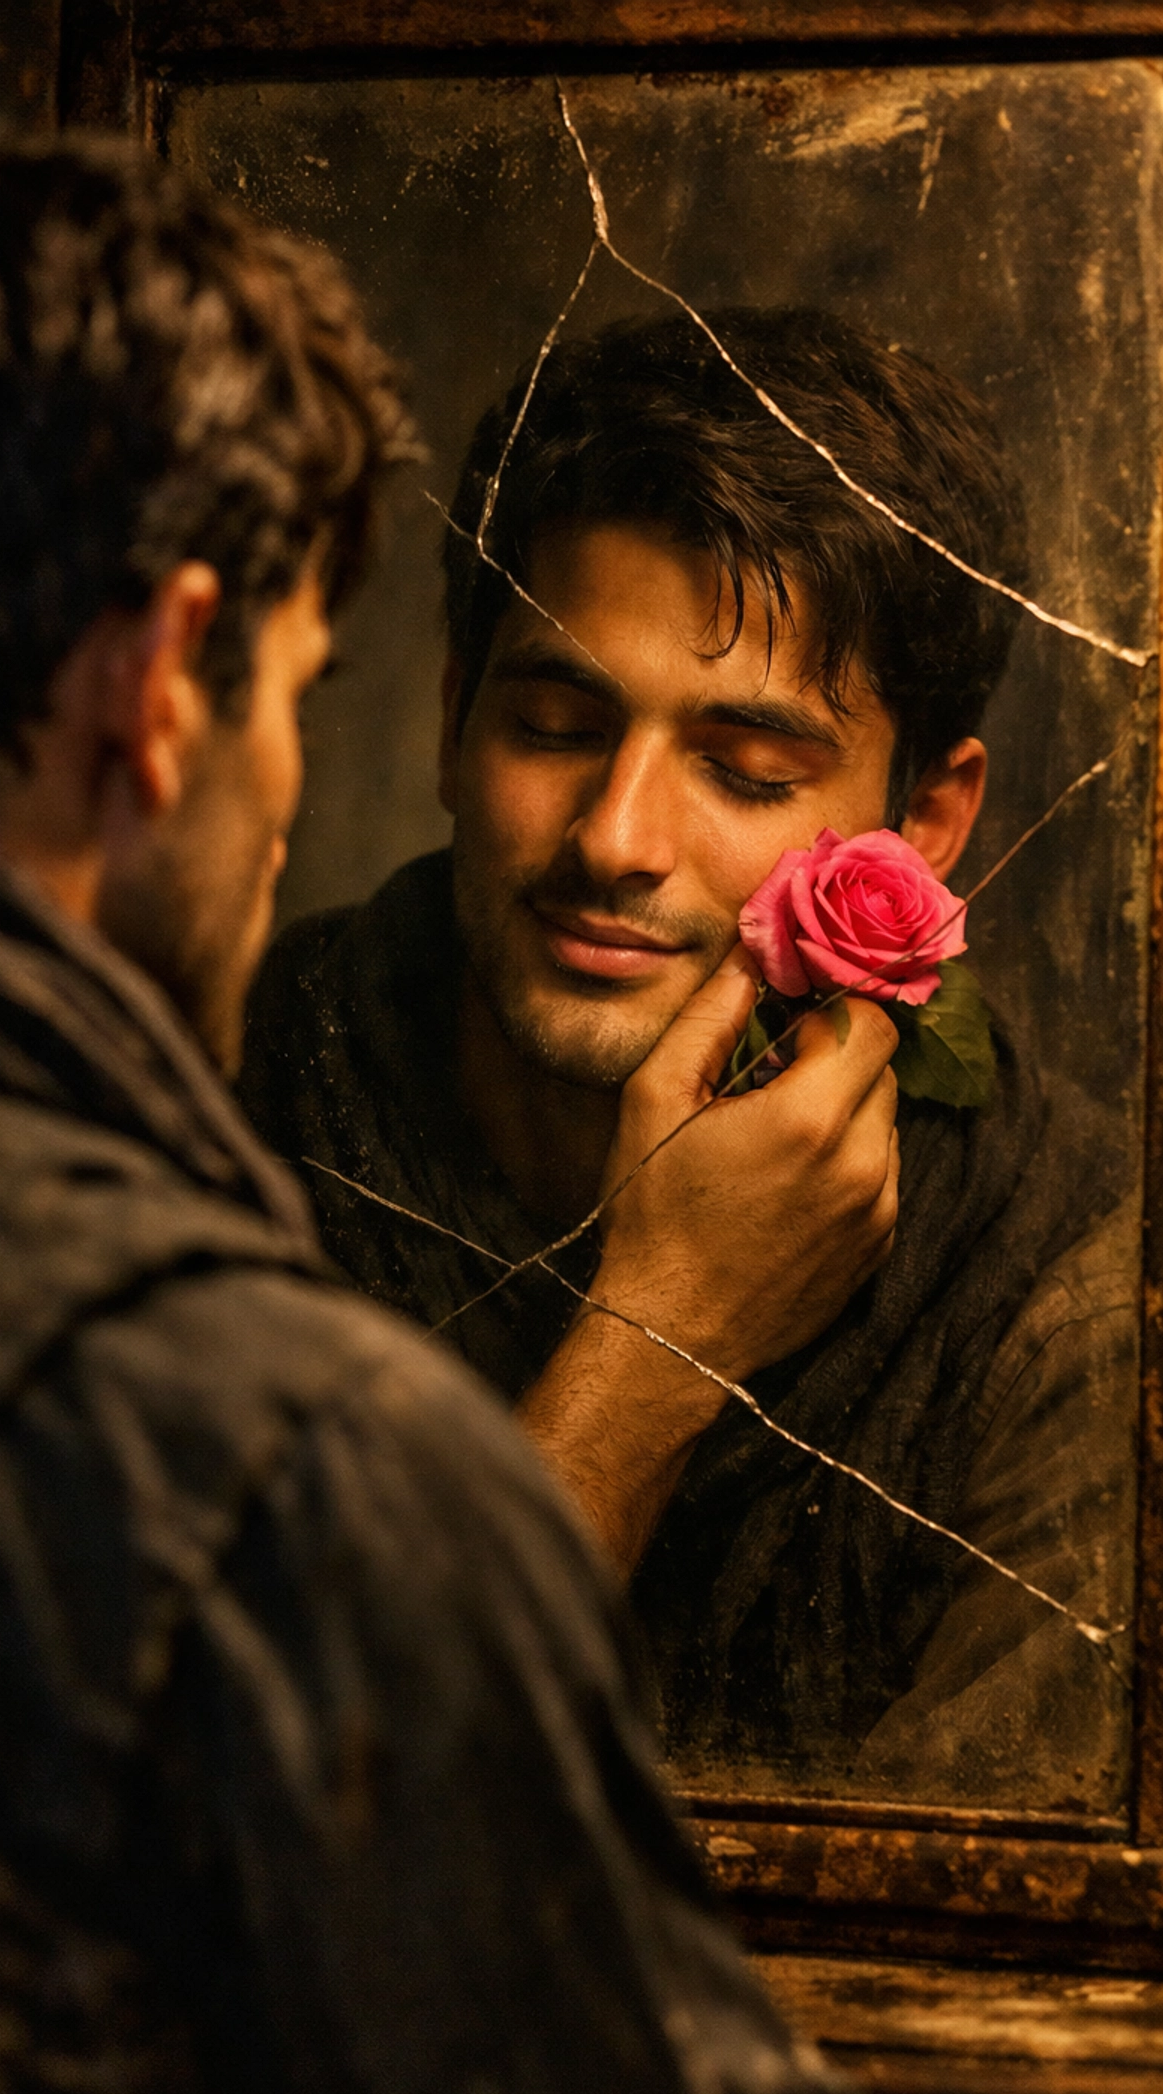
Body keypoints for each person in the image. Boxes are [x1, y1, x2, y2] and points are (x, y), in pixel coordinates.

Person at [0, 129, 968, 2094]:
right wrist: (635, 1372)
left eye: (740, 761)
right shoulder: (242, 1462)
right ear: (169, 684)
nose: (619, 838)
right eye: (304, 682)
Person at [242, 310, 1136, 1809]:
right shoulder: (216, 1088)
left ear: (921, 825)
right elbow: (264, 1843)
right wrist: (666, 1331)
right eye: (554, 722)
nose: (614, 840)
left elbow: (992, 1987)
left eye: (746, 771)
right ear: (453, 713)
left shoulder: (1078, 1290)